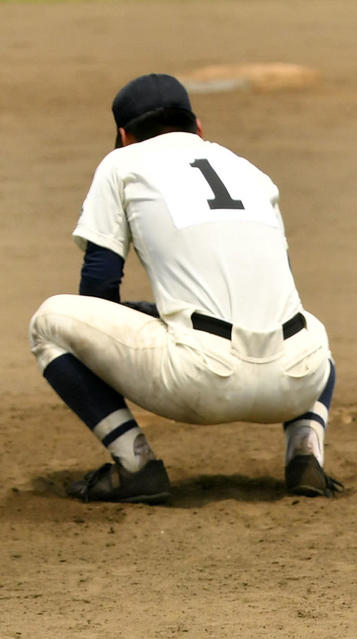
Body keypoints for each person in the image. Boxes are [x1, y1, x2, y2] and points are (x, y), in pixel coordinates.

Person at [29, 73, 339, 504]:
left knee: (49, 323)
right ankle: (305, 451)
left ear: (124, 135)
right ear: (198, 127)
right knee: (310, 330)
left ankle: (136, 464)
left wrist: (140, 321)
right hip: (299, 380)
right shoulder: (251, 172)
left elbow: (98, 289)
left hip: (200, 384)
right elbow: (279, 287)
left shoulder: (121, 163)